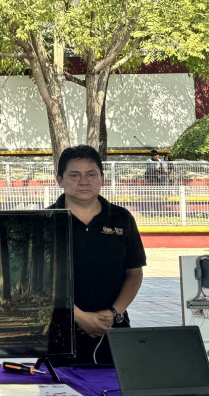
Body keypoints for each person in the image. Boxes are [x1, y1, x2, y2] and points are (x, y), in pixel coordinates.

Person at [49, 145, 146, 365]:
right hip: (58, 332)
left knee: (117, 384)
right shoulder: (45, 221)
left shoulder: (122, 218)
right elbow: (38, 282)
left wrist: (114, 313)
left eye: (91, 174)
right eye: (74, 175)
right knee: (58, 386)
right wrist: (78, 316)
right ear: (60, 180)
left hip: (113, 328)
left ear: (102, 178)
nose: (84, 181)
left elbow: (134, 273)